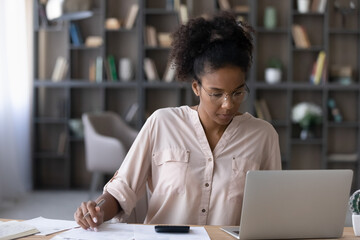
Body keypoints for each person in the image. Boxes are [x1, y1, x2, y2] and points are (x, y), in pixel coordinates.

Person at [74, 11, 281, 231]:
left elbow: (273, 209)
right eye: (216, 94)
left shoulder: (263, 136)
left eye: (237, 92)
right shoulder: (162, 123)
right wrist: (97, 209)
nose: (228, 104)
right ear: (196, 88)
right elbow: (122, 190)